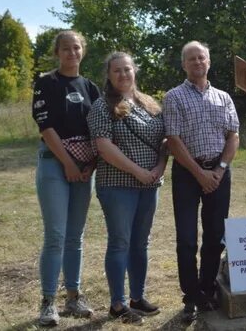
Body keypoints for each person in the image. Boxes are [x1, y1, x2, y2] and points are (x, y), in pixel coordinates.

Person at [87, 52, 168, 324]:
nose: (123, 75)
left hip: (150, 184)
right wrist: (139, 172)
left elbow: (163, 142)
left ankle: (137, 298)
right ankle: (117, 304)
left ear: (135, 71)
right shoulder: (101, 106)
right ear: (109, 75)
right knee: (120, 242)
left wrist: (158, 169)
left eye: (127, 69)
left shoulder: (149, 104)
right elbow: (103, 147)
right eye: (117, 71)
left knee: (140, 243)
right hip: (118, 185)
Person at [164, 41, 239, 322]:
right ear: (184, 64)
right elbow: (173, 139)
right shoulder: (174, 97)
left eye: (201, 58)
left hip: (219, 172)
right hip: (187, 174)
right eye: (191, 59)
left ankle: (207, 288)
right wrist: (199, 173)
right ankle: (190, 295)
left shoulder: (223, 97)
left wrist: (218, 170)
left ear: (209, 62)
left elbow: (233, 136)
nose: (197, 62)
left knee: (214, 235)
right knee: (186, 238)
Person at [31, 30, 100, 326]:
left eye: (76, 48)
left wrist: (90, 164)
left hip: (84, 169)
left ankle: (73, 297)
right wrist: (69, 163)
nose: (72, 53)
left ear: (82, 51)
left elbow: (100, 131)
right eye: (65, 49)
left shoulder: (91, 87)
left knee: (75, 236)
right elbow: (46, 128)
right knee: (56, 235)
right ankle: (48, 302)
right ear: (57, 53)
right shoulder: (46, 83)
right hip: (54, 166)